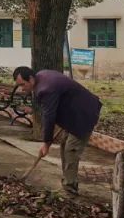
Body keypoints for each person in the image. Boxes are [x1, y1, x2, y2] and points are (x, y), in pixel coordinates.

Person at [13, 66, 102, 196]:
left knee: (71, 150)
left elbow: (49, 116)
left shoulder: (45, 89)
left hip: (84, 114)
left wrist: (46, 143)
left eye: (23, 84)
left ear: (31, 79)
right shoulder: (42, 75)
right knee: (64, 145)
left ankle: (70, 187)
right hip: (73, 113)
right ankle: (68, 181)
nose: (22, 88)